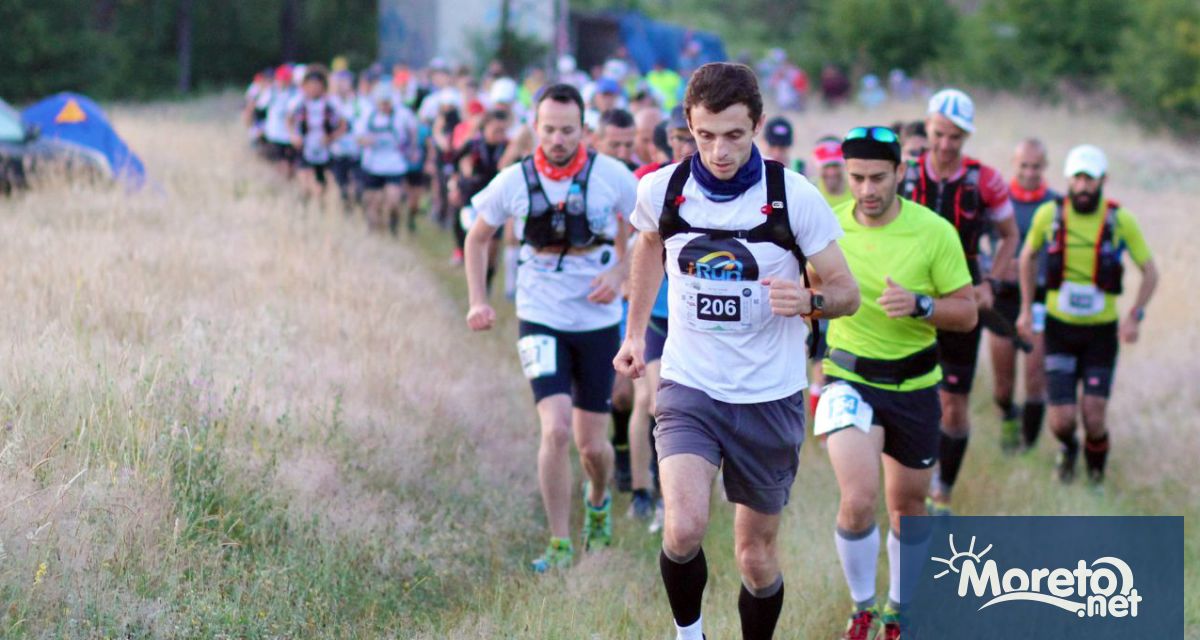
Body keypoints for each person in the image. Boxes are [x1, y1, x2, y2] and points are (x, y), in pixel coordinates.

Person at [615, 62, 860, 640]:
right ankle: (689, 635)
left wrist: (808, 300)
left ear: (757, 126)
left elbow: (846, 293)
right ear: (688, 126)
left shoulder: (792, 197)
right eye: (705, 136)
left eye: (734, 135)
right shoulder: (663, 189)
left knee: (755, 558)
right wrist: (634, 333)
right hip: (690, 384)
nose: (719, 151)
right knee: (682, 530)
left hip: (769, 395)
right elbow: (648, 244)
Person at [465, 84, 638, 571]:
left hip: (598, 323)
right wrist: (478, 301)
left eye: (567, 130)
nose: (558, 139)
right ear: (534, 128)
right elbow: (477, 238)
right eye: (549, 130)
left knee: (591, 446)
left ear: (584, 129)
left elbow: (653, 232)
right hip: (539, 317)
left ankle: (598, 499)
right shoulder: (513, 180)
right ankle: (560, 542)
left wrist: (620, 273)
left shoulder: (612, 176)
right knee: (556, 429)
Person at [818, 126, 977, 639]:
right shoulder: (828, 228)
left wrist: (921, 305)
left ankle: (897, 609)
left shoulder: (934, 232)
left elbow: (967, 313)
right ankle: (862, 607)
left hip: (914, 385)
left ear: (900, 173)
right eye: (857, 177)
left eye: (878, 178)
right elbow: (809, 291)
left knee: (908, 507)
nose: (866, 190)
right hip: (848, 378)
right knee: (858, 498)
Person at [899, 88, 1020, 514]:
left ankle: (943, 493)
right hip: (908, 298)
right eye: (939, 134)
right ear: (928, 128)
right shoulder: (905, 172)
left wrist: (991, 283)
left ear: (967, 136)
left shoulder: (985, 179)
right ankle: (907, 484)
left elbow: (1010, 236)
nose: (946, 144)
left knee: (953, 403)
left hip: (960, 299)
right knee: (907, 395)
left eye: (956, 137)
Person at [1016, 145, 1158, 485]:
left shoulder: (1119, 220)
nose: (1082, 186)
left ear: (1103, 180)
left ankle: (1096, 480)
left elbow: (1150, 272)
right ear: (1068, 179)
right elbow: (1027, 257)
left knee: (1094, 416)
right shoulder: (1049, 215)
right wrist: (1026, 309)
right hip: (1059, 330)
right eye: (1077, 178)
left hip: (1100, 334)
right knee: (1061, 421)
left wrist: (1135, 317)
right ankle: (1068, 448)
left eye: (1090, 179)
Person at [987, 138, 1059, 450]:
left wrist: (1035, 268)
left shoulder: (1057, 205)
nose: (1030, 172)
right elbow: (975, 246)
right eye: (1024, 166)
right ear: (1014, 164)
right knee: (1003, 387)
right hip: (1004, 299)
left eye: (1036, 167)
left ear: (1045, 167)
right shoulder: (997, 201)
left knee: (1034, 380)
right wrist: (998, 267)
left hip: (1040, 297)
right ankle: (1008, 416)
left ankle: (1027, 448)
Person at [355, 86, 418, 233]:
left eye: (387, 102)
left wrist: (412, 149)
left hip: (395, 164)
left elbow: (413, 130)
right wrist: (366, 141)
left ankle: (393, 227)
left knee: (393, 199)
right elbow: (358, 137)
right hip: (372, 165)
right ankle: (375, 230)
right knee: (373, 201)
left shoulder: (403, 114)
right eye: (382, 103)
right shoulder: (367, 115)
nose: (385, 106)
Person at [290, 66, 347, 202]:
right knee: (305, 181)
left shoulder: (332, 103)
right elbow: (288, 120)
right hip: (305, 146)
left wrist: (331, 137)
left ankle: (318, 206)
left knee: (321, 186)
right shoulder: (298, 102)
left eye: (317, 85)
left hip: (325, 149)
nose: (314, 88)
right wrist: (294, 135)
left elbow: (343, 125)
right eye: (311, 85)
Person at [812, 137, 851, 209]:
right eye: (826, 166)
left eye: (835, 165)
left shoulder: (858, 192)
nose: (831, 172)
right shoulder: (810, 193)